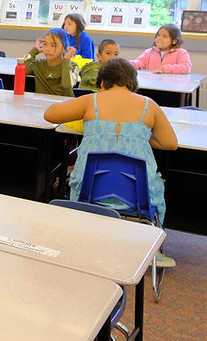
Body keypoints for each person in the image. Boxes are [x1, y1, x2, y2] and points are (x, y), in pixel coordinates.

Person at [44, 58, 178, 230]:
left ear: (101, 82)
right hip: (139, 196)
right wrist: (140, 136)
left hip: (90, 191)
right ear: (133, 82)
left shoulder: (91, 101)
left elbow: (50, 115)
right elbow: (170, 143)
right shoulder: (148, 105)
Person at [22, 28, 75, 96]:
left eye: (53, 45)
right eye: (45, 44)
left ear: (63, 48)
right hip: (42, 104)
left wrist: (66, 59)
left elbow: (66, 85)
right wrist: (34, 51)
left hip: (65, 104)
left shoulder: (72, 66)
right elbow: (23, 70)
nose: (47, 49)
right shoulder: (38, 64)